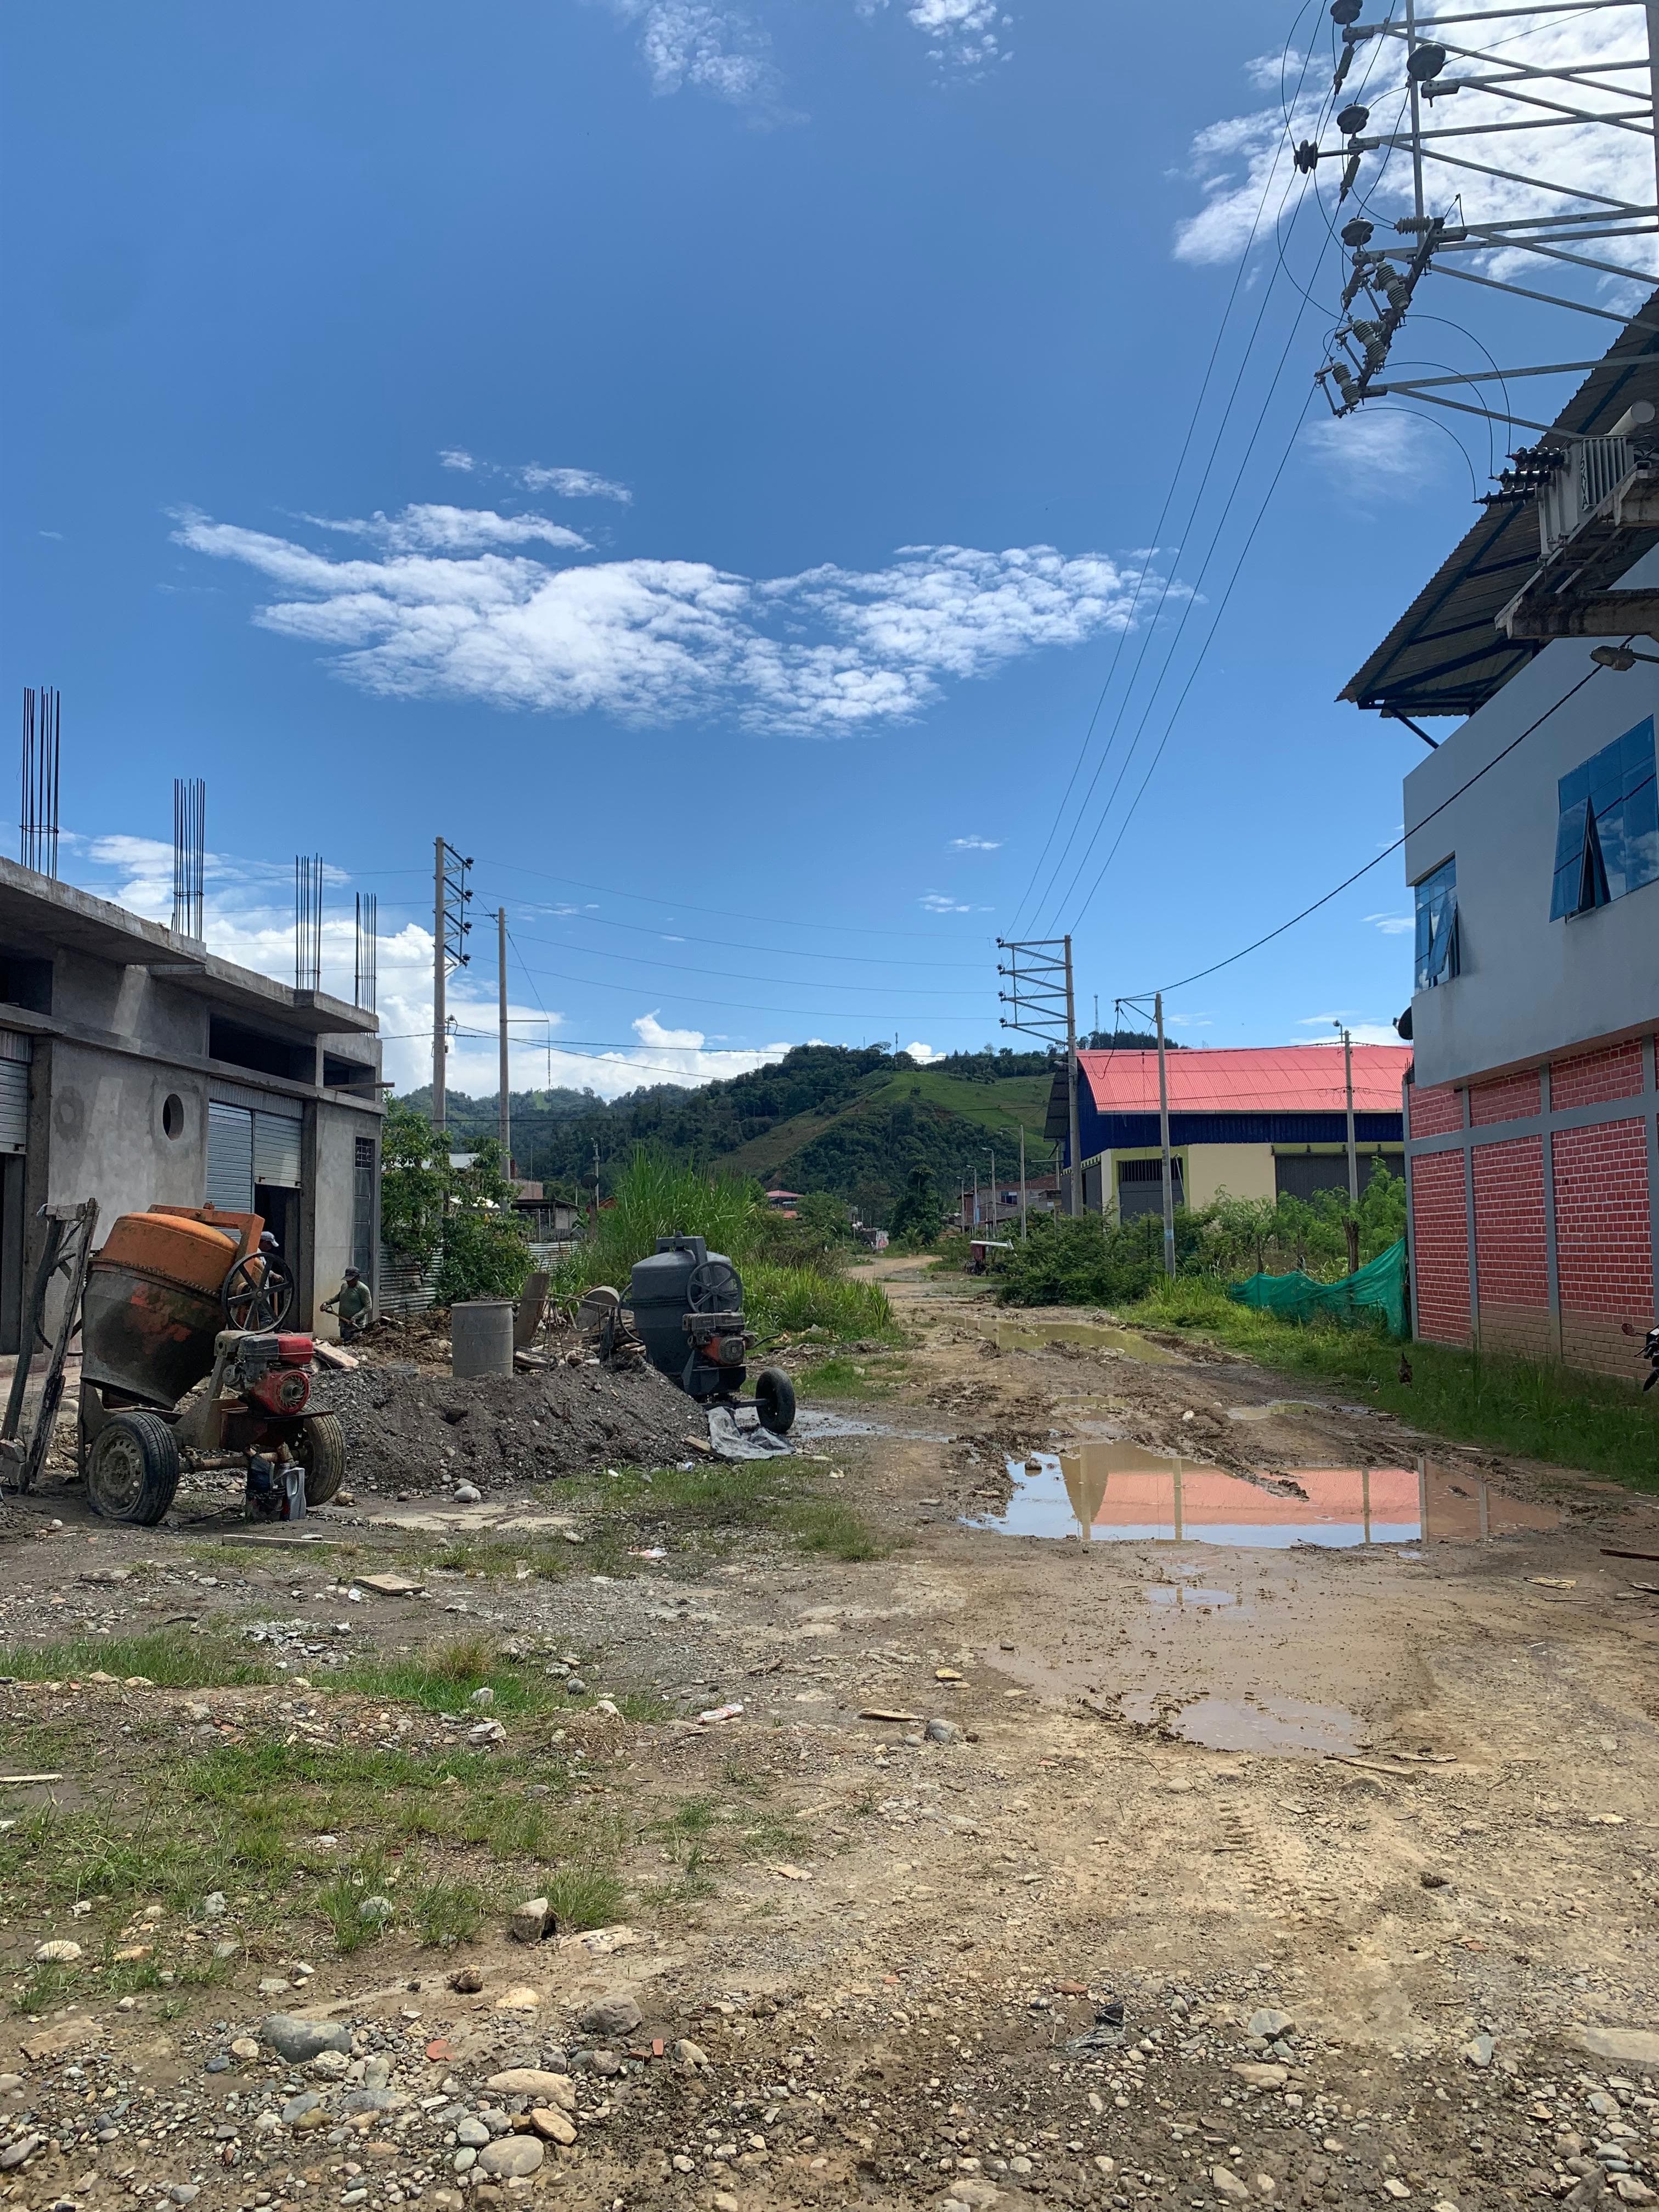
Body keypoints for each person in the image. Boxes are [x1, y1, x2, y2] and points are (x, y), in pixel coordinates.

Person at [323, 1266, 374, 1343]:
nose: (349, 1282)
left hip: (355, 1326)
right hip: (344, 1323)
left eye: (351, 1280)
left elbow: (368, 1307)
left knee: (354, 1346)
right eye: (347, 1280)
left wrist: (355, 1317)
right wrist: (327, 1302)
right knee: (344, 1344)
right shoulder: (344, 1286)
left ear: (358, 1278)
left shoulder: (363, 1289)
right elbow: (339, 1297)